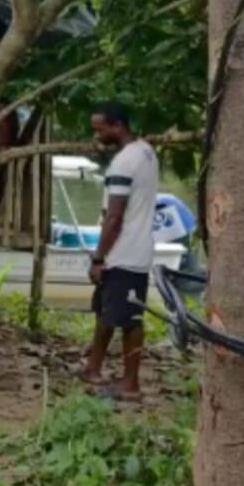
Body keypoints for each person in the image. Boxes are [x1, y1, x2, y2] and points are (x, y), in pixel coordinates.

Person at [79, 101, 159, 403]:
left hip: (125, 252)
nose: (97, 135)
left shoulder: (124, 163)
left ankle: (131, 384)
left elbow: (114, 217)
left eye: (100, 129)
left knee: (130, 320)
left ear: (117, 125)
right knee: (105, 310)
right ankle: (93, 367)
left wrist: (99, 257)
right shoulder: (146, 151)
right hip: (131, 249)